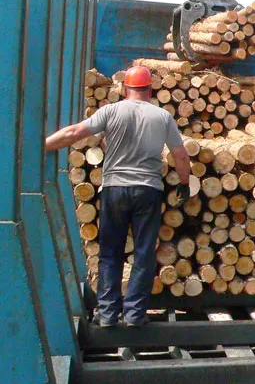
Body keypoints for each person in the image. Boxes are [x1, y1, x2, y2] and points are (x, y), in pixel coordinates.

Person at [45, 65, 191, 327]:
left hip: (114, 189)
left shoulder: (111, 111)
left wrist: (41, 145)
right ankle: (135, 314)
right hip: (148, 190)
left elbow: (74, 133)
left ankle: (108, 313)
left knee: (110, 252)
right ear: (150, 88)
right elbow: (180, 155)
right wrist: (184, 182)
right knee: (144, 253)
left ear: (125, 89)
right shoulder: (162, 116)